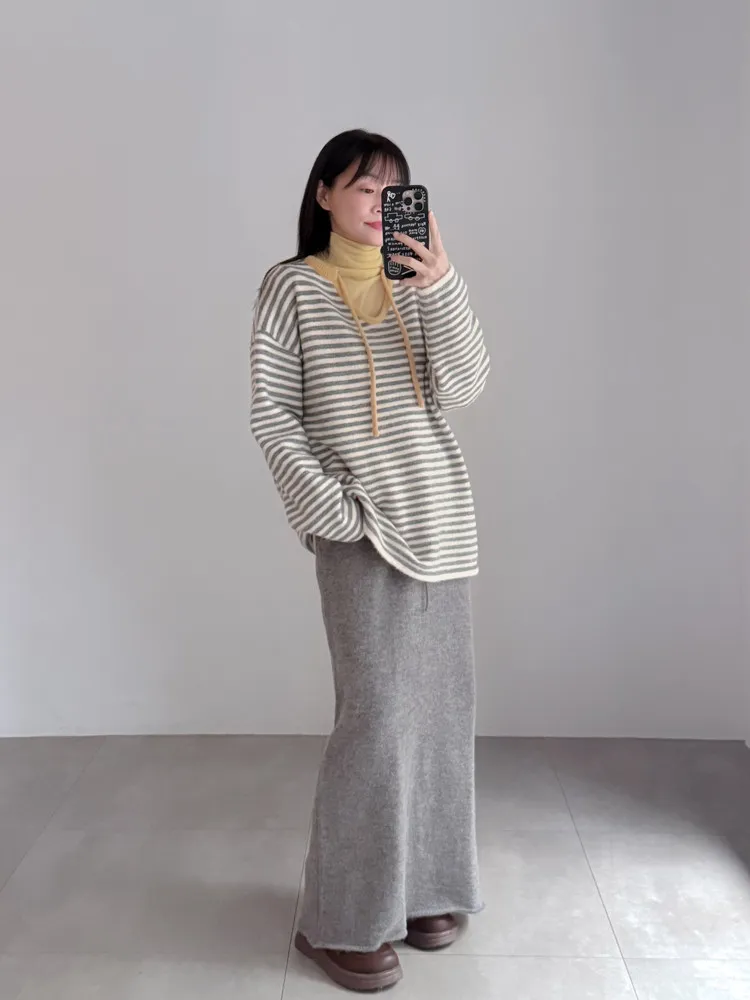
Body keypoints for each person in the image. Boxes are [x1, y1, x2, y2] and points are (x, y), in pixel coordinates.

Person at [249, 129, 490, 992]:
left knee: (440, 717)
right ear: (323, 193)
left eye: (396, 191)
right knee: (379, 720)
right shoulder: (291, 287)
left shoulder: (419, 284)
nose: (381, 205)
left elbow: (465, 386)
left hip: (441, 521)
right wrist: (333, 513)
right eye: (363, 187)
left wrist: (443, 287)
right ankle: (340, 917)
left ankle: (425, 890)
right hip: (360, 531)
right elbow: (273, 414)